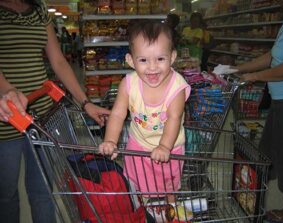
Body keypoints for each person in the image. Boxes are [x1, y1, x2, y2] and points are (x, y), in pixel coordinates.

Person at [0, 1, 110, 222]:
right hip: (6, 116)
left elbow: (59, 61)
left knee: (43, 193)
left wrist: (85, 103)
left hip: (42, 116)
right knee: (6, 195)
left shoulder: (39, 8)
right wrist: (9, 90)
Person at [99, 20, 191, 202]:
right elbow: (117, 114)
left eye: (160, 59)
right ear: (131, 61)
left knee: (169, 185)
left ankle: (170, 209)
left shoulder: (177, 87)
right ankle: (144, 209)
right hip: (138, 144)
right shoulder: (128, 84)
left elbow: (174, 117)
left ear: (172, 57)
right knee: (139, 184)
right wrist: (110, 140)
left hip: (170, 146)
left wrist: (164, 146)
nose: (152, 67)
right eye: (143, 60)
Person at [234, 0, 283, 221]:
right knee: (266, 151)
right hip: (281, 100)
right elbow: (271, 57)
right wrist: (237, 69)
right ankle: (255, 194)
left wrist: (255, 76)